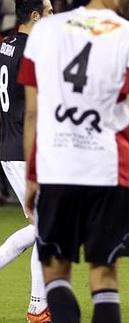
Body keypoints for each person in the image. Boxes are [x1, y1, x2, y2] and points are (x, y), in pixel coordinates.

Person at [18, 0, 129, 321]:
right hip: (109, 172)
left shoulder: (45, 30)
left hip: (57, 168)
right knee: (104, 277)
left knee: (55, 273)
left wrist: (32, 176)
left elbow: (33, 113)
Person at [0, 0, 53, 322]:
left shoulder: (6, 47)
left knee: (42, 227)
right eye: (48, 11)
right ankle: (38, 308)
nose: (52, 16)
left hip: (12, 146)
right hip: (26, 151)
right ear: (35, 16)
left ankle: (40, 306)